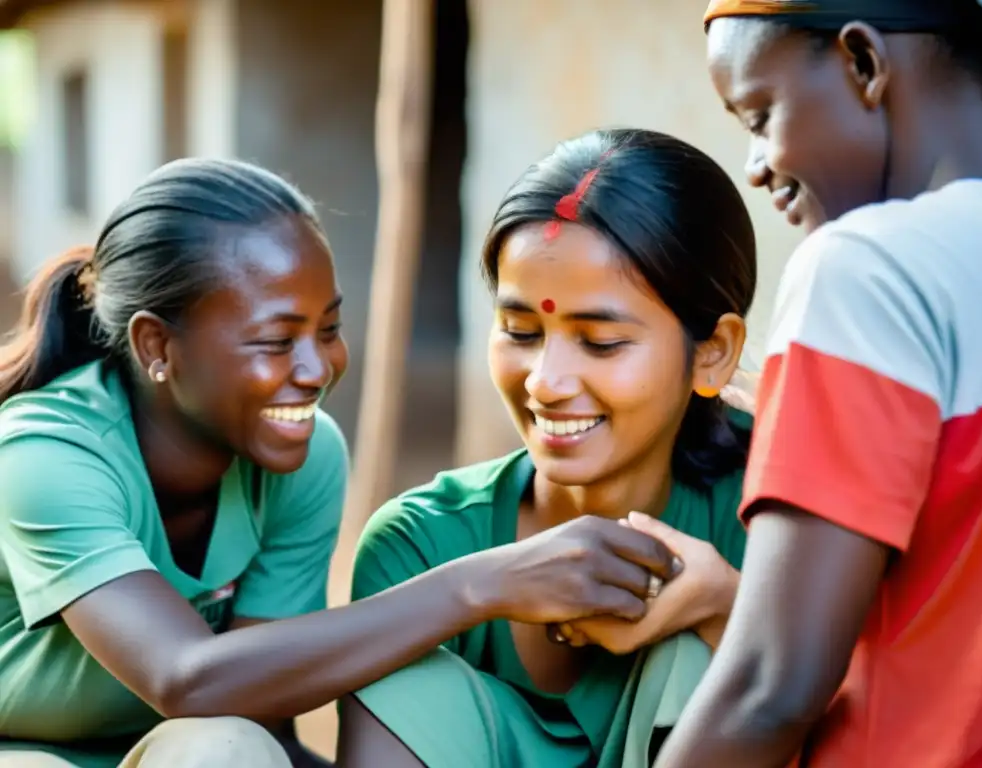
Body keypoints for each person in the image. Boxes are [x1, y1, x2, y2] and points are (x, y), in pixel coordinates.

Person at [0, 157, 688, 768]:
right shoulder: (46, 454)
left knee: (227, 746)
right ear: (157, 345)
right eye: (274, 340)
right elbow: (187, 679)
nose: (317, 368)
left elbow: (259, 712)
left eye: (328, 329)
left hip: (177, 750)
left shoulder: (303, 456)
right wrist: (486, 583)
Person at [654, 2, 982, 766]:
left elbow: (770, 687)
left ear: (863, 63)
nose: (756, 166)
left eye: (759, 114)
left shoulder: (868, 269)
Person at [337, 127, 759, 768]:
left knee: (710, 654)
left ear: (712, 353)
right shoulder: (424, 546)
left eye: (601, 342)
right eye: (519, 330)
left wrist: (726, 608)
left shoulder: (775, 513)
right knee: (399, 651)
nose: (544, 382)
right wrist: (478, 587)